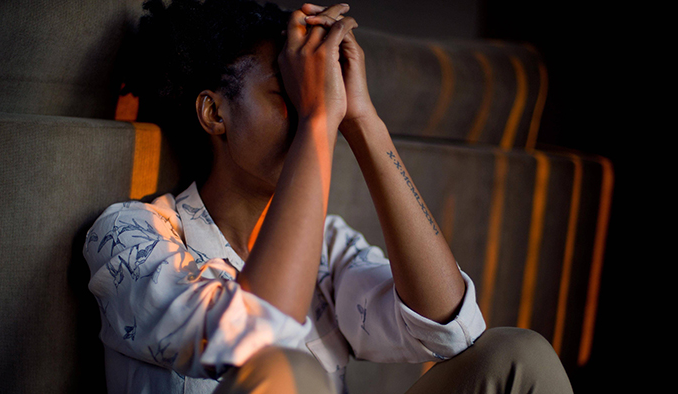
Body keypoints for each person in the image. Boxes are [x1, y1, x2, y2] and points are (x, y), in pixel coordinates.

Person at [83, 1, 574, 393]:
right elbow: (262, 341)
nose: (312, 108)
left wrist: (362, 120)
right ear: (214, 114)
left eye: (316, 95)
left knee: (517, 357)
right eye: (288, 93)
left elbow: (452, 330)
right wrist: (317, 120)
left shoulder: (328, 244)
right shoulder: (130, 235)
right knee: (288, 372)